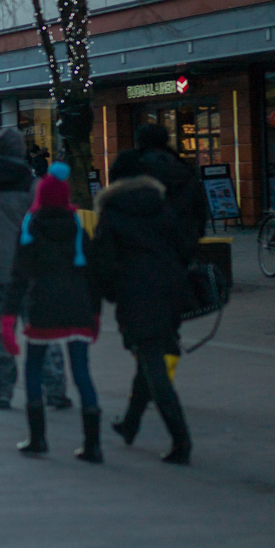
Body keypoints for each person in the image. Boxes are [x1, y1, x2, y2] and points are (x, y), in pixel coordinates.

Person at [91, 172, 196, 465]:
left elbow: (102, 261)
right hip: (171, 292)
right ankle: (130, 424)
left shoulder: (112, 216)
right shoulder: (162, 209)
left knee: (152, 362)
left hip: (137, 295)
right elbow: (186, 247)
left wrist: (112, 292)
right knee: (149, 356)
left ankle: (181, 439)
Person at [3, 163, 103, 461]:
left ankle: (38, 439)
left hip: (43, 306)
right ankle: (93, 444)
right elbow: (92, 274)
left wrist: (8, 318)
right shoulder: (76, 226)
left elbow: (19, 276)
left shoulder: (31, 226)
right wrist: (95, 313)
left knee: (33, 369)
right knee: (82, 372)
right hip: (77, 307)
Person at [0, 127, 68, 410]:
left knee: (1, 335)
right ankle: (56, 390)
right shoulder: (32, 184)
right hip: (32, 272)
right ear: (19, 150)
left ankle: (2, 392)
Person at [111, 122, 210, 246]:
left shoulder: (127, 165)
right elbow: (198, 207)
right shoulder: (182, 167)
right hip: (177, 243)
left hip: (136, 243)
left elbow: (114, 203)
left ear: (138, 141)